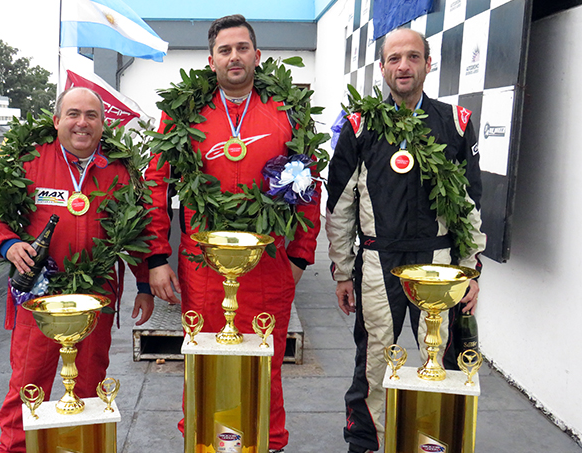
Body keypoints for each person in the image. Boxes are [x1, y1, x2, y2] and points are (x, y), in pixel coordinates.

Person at [144, 14, 322, 453]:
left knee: (266, 362)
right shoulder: (183, 114)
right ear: (211, 61)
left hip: (269, 263)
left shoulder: (287, 111)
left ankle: (267, 443)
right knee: (204, 361)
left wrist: (301, 255)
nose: (234, 56)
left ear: (257, 56)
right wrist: (154, 259)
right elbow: (155, 183)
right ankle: (205, 443)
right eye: (225, 50)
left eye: (242, 48)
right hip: (202, 265)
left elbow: (309, 185)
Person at [325, 28, 486, 453]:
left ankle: (438, 442)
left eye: (413, 57)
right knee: (375, 360)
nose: (403, 66)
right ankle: (364, 443)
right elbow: (340, 205)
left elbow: (469, 205)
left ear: (428, 64)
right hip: (380, 262)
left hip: (440, 262)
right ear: (381, 67)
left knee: (443, 361)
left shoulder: (455, 123)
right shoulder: (360, 126)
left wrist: (470, 272)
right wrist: (342, 271)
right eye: (394, 58)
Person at [0, 86, 154, 453]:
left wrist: (144, 285)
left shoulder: (120, 170)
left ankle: (84, 447)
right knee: (28, 385)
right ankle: (15, 449)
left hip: (95, 294)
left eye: (91, 116)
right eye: (73, 114)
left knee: (90, 384)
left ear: (104, 125)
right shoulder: (29, 161)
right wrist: (8, 244)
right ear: (56, 121)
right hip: (40, 296)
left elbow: (138, 230)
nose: (81, 123)